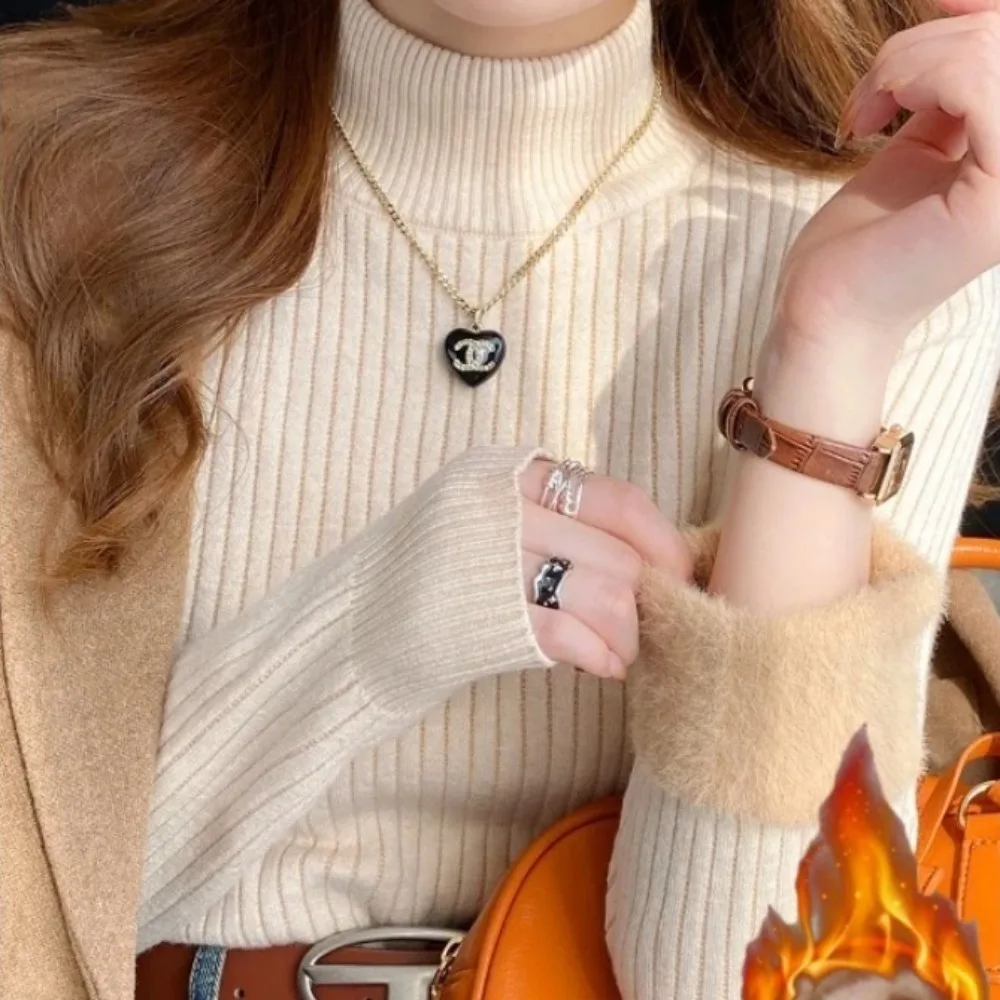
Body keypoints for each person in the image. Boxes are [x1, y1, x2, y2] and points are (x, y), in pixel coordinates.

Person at [1, 0, 999, 998]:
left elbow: (759, 980)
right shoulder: (45, 194)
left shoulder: (894, 229)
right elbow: (30, 920)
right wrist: (374, 629)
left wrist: (827, 347)